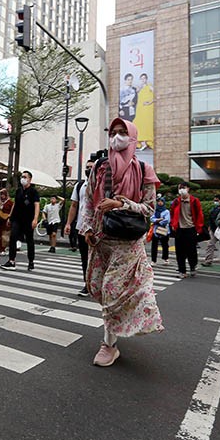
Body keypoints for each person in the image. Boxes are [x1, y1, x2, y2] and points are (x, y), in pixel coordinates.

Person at [81, 117, 163, 367]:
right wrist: (86, 227)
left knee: (111, 289)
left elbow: (149, 208)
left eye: (122, 133)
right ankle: (116, 330)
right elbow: (88, 200)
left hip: (128, 241)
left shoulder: (143, 169)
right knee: (97, 287)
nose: (116, 137)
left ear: (132, 137)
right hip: (100, 237)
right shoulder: (99, 167)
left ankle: (109, 345)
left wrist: (121, 203)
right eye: (113, 132)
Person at [64, 158, 96, 297]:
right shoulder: (80, 185)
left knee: (96, 258)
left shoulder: (101, 185)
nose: (88, 169)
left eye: (91, 167)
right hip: (81, 226)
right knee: (84, 257)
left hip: (96, 228)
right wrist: (68, 223)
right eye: (87, 167)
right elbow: (74, 205)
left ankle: (97, 284)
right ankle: (87, 284)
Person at [1, 170, 40, 271]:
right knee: (13, 237)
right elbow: (15, 204)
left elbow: (37, 205)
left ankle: (31, 261)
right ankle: (11, 261)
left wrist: (35, 219)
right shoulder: (19, 191)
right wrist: (10, 217)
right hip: (17, 219)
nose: (23, 179)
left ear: (30, 179)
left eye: (25, 177)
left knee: (29, 240)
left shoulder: (33, 191)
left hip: (28, 220)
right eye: (22, 177)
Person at [169, 182, 204, 278]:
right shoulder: (176, 201)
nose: (181, 190)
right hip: (179, 229)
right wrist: (173, 224)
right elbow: (172, 213)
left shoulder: (194, 201)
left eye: (183, 187)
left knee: (191, 250)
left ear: (188, 188)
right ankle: (182, 271)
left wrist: (198, 228)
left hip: (191, 228)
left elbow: (199, 215)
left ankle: (193, 266)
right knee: (179, 251)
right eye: (179, 188)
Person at [203, 195, 220, 266]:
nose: (215, 202)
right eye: (215, 200)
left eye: (217, 200)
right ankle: (208, 261)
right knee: (210, 245)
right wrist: (210, 226)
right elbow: (211, 218)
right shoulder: (214, 208)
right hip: (213, 229)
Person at [149, 196, 170, 266]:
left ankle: (165, 258)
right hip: (155, 230)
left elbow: (167, 220)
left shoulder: (166, 211)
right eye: (158, 201)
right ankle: (153, 260)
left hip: (164, 230)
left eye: (161, 201)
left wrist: (158, 221)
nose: (160, 203)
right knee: (154, 245)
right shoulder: (155, 211)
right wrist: (158, 220)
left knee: (165, 245)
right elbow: (151, 218)